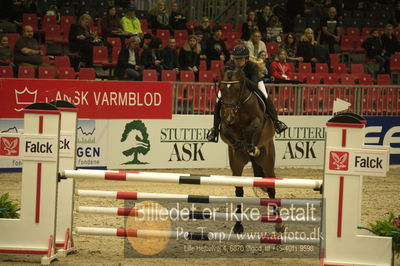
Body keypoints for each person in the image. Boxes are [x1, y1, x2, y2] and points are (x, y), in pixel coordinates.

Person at [207, 45, 288, 142]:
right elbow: (226, 80)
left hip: (254, 83)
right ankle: (215, 129)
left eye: (240, 59)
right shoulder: (229, 65)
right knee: (218, 100)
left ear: (246, 58)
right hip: (233, 87)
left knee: (264, 95)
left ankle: (276, 121)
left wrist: (242, 78)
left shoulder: (252, 66)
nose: (237, 61)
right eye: (236, 58)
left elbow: (253, 85)